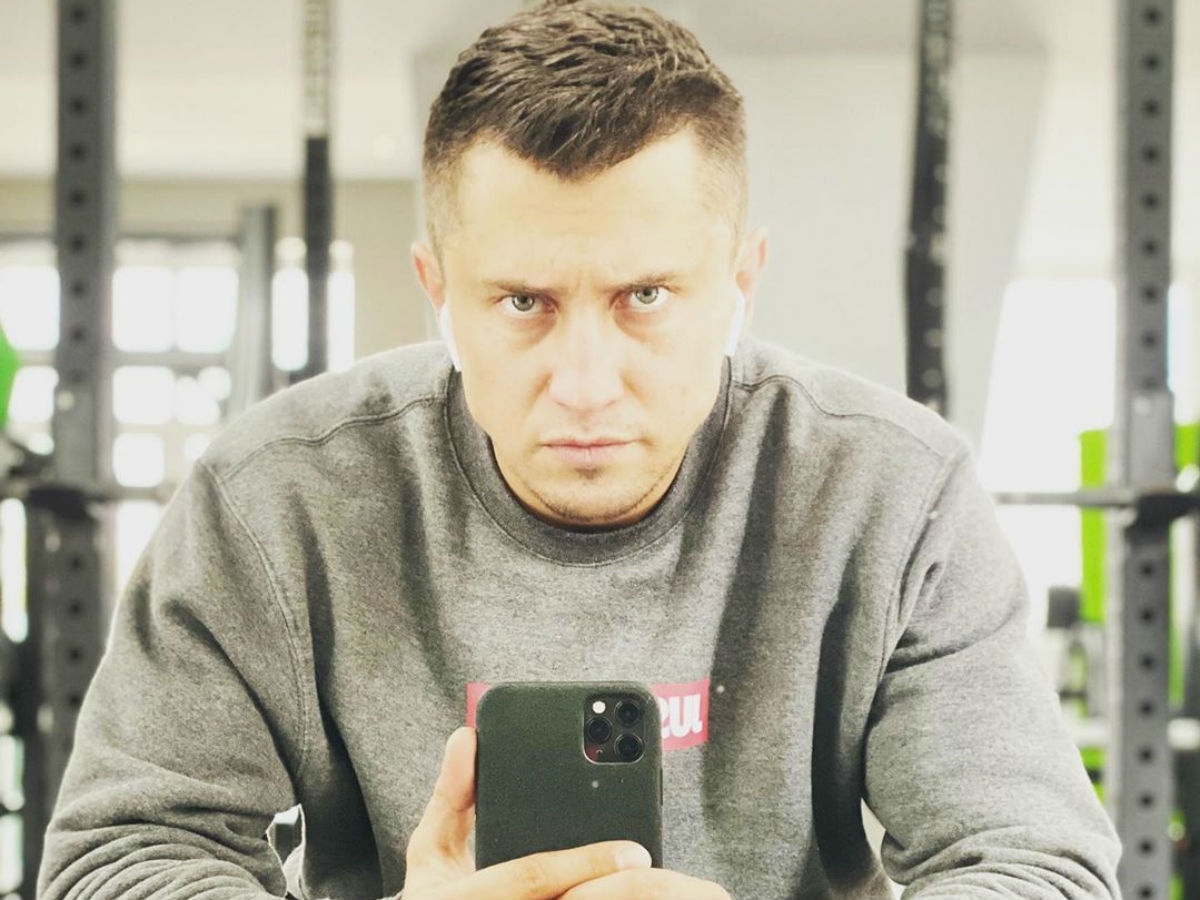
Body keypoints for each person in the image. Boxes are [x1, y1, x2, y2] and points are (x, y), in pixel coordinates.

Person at [37, 2, 1122, 898]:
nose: (586, 382)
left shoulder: (895, 495)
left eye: (646, 296)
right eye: (523, 302)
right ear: (436, 291)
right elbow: (119, 858)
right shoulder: (274, 498)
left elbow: (1038, 866)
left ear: (740, 283)